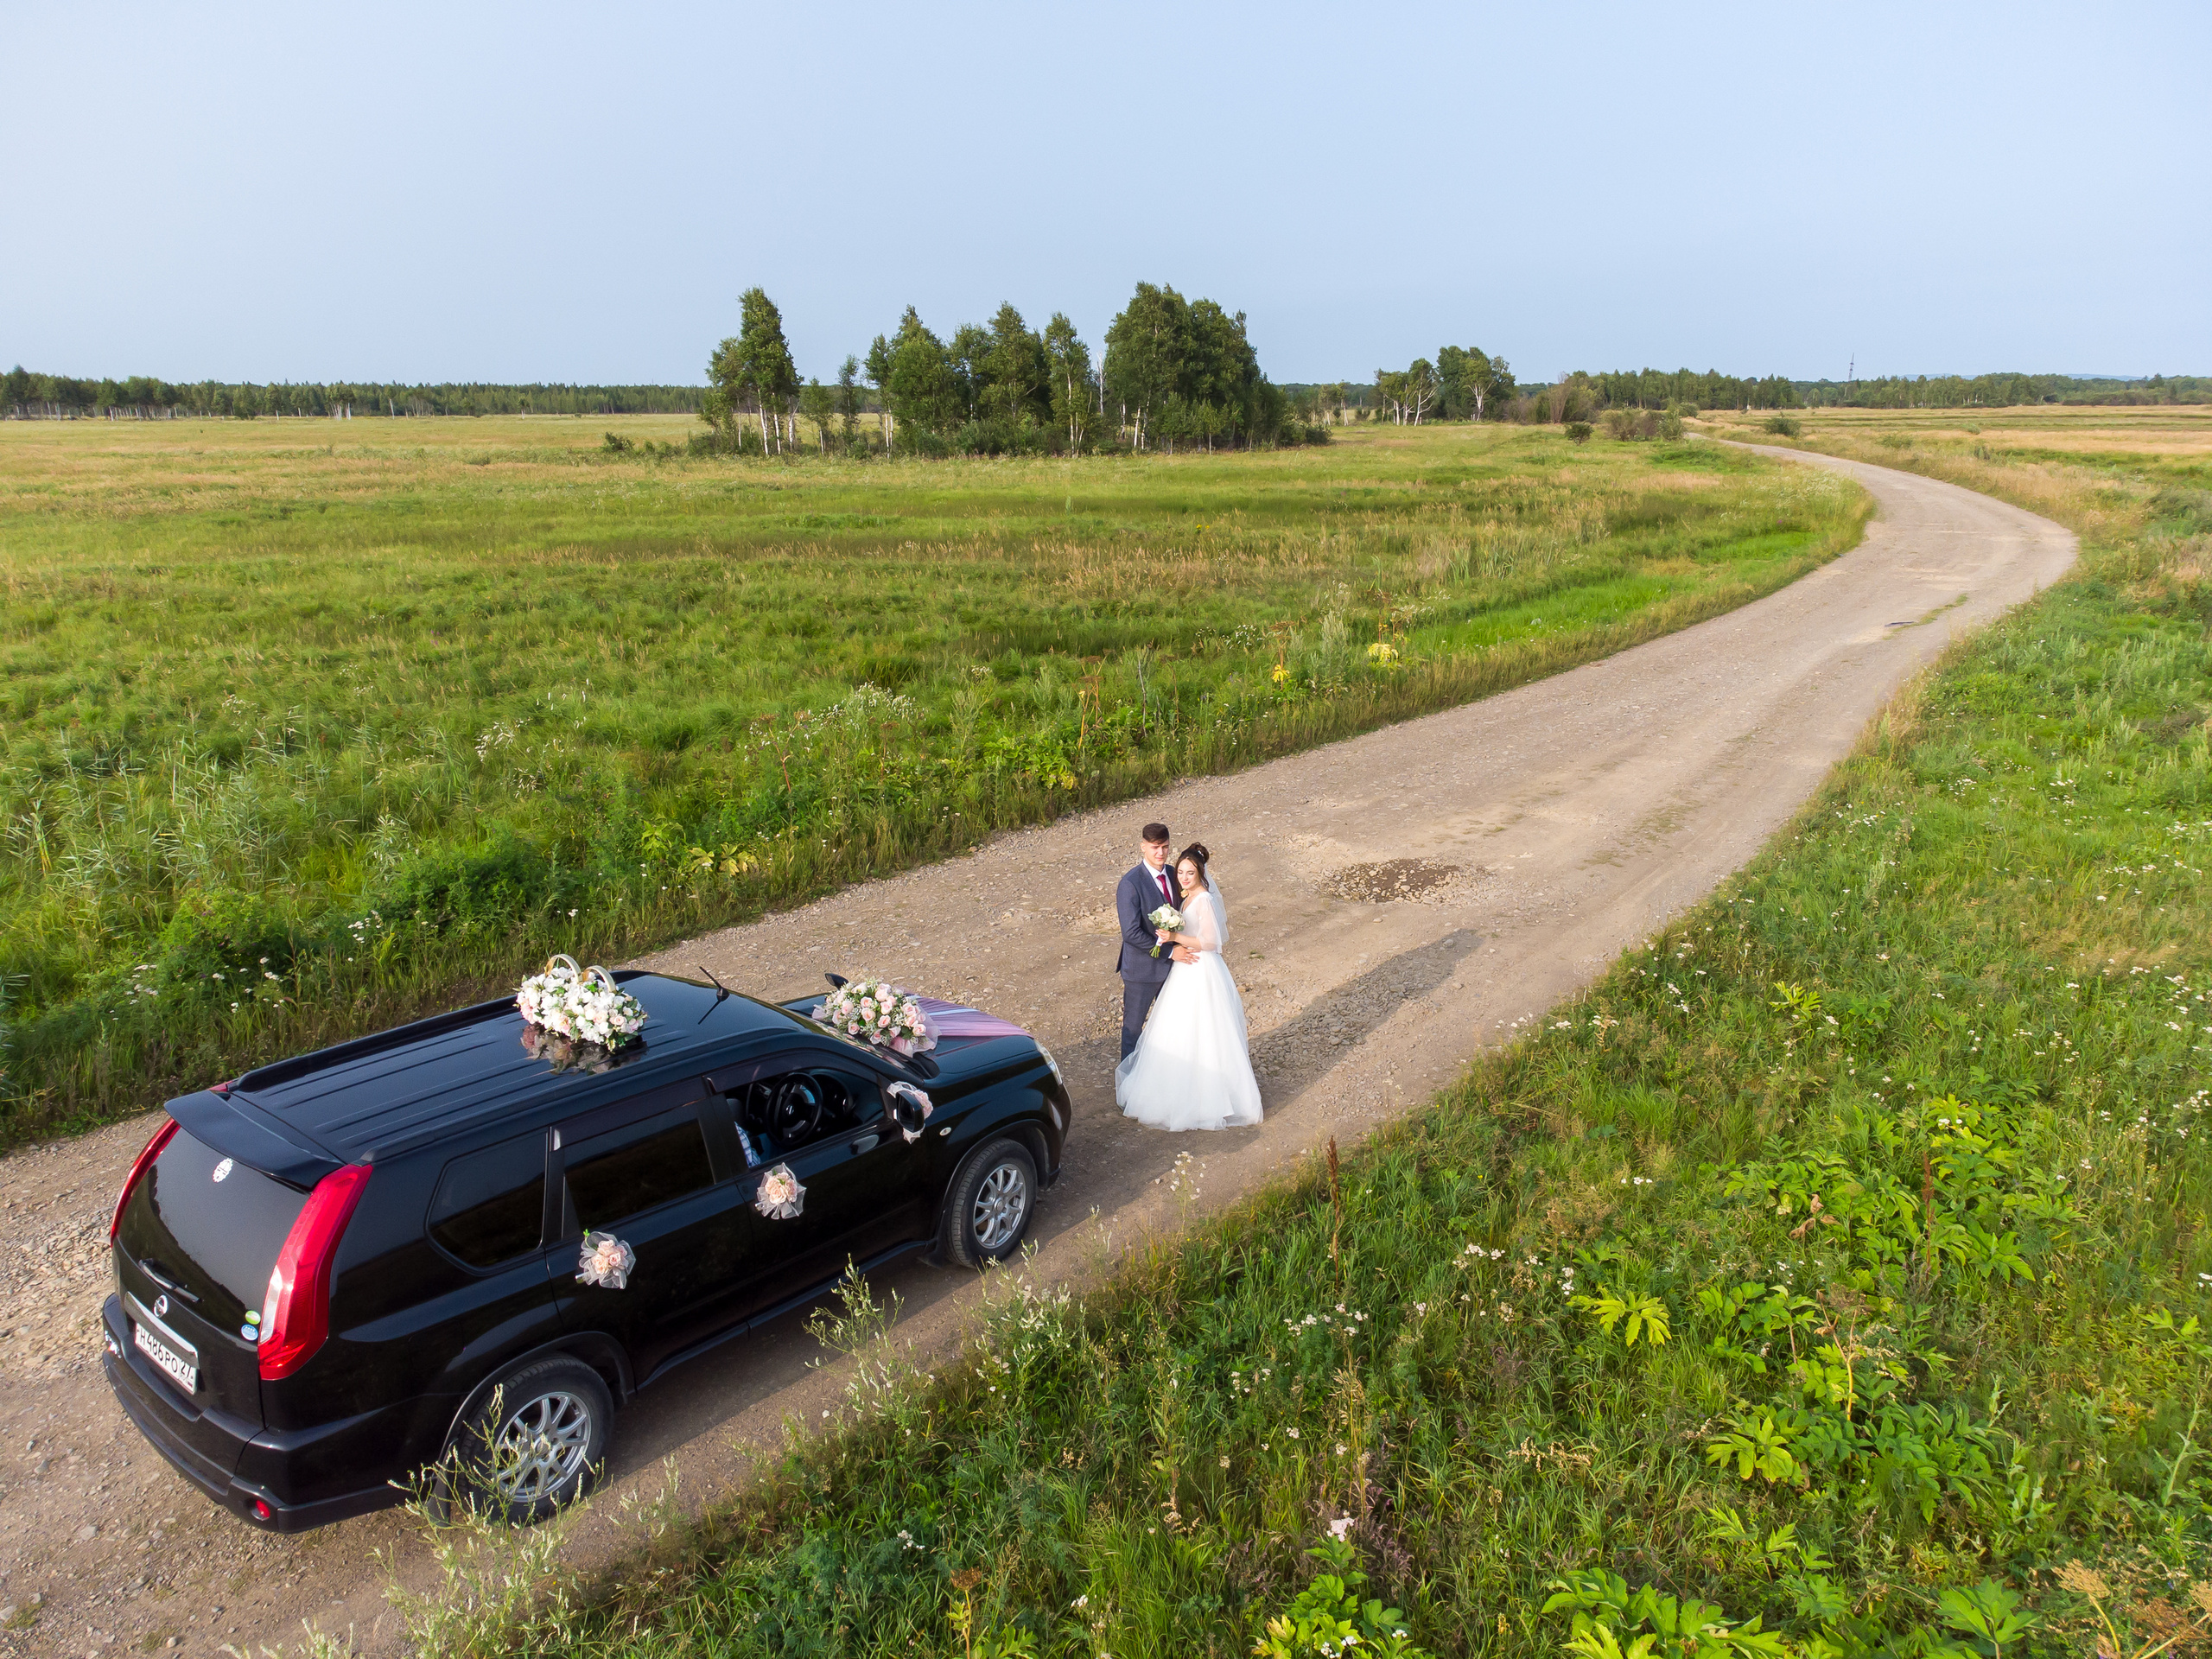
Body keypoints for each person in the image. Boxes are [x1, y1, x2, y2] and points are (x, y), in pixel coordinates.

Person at [1115, 842, 1263, 1132]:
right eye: (1181, 871)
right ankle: (1175, 1081)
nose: (1183, 876)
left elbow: (1211, 942)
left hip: (1200, 968)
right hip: (1183, 967)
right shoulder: (1186, 896)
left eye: (1190, 872)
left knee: (1206, 1029)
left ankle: (1209, 1094)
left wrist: (1175, 937)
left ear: (1200, 873)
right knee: (1179, 1027)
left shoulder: (1204, 899)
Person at [1115, 823, 1191, 1061]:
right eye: (1155, 847)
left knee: (1173, 1026)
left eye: (1165, 847)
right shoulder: (1130, 883)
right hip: (1141, 971)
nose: (1161, 853)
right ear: (1143, 847)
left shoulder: (1173, 874)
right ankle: (1126, 1088)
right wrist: (1169, 953)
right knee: (1133, 1031)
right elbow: (1131, 933)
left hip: (1174, 970)